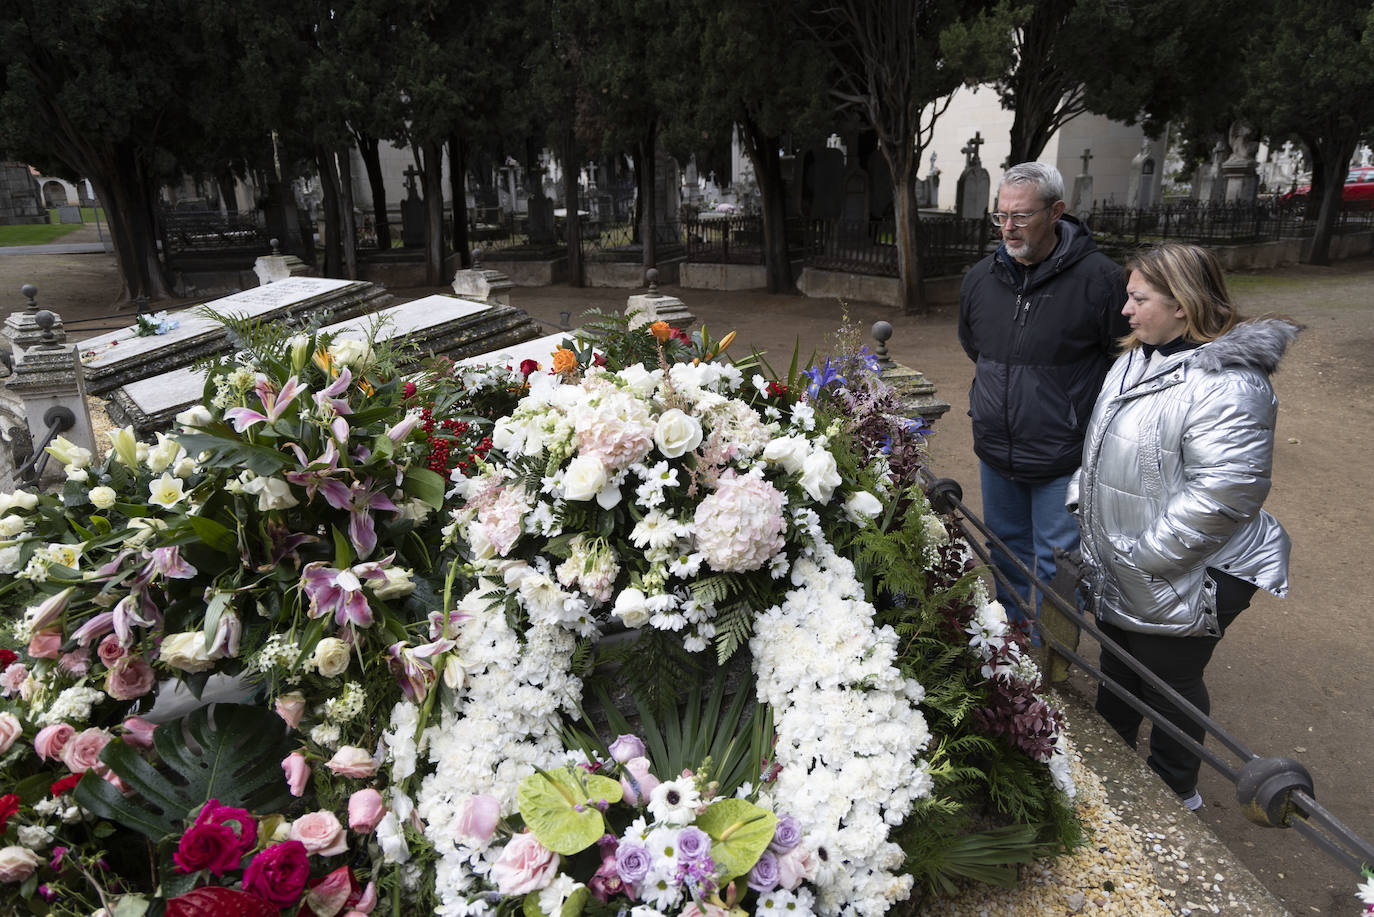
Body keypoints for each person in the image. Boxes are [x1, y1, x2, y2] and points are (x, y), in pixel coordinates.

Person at [1069, 242, 1298, 811]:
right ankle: (1110, 780)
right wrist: (1083, 503)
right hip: (1126, 559)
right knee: (1117, 667)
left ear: (1183, 304)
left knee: (1169, 685)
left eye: (1139, 298)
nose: (1126, 309)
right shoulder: (1136, 357)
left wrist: (1143, 556)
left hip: (1184, 573)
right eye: (1129, 295)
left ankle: (1175, 797)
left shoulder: (1229, 384)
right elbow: (1102, 448)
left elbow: (1226, 492)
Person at [958, 162, 1128, 633]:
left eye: (1022, 216)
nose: (1008, 228)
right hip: (997, 447)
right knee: (1006, 550)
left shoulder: (1101, 281)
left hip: (1063, 453)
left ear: (1056, 212)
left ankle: (1051, 655)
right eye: (1001, 216)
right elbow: (975, 346)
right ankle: (1012, 638)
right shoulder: (980, 278)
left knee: (1058, 563)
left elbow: (1123, 361)